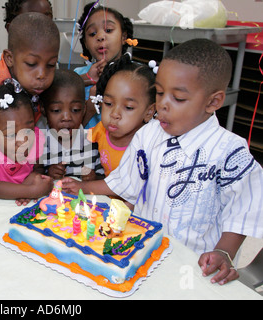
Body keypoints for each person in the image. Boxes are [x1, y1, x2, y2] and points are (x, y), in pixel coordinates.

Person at [64, 38, 263, 285]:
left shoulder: (230, 150)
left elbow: (242, 210)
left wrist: (224, 252)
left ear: (213, 102)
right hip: (144, 251)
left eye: (178, 98)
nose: (163, 105)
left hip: (195, 267)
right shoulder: (148, 134)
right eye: (159, 93)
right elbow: (125, 182)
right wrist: (80, 187)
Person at [0, 81, 53, 206]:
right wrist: (31, 191)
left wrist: (33, 179)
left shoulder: (36, 136)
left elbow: (37, 169)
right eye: (12, 135)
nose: (23, 141)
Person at [74, 2, 135, 128]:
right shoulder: (78, 76)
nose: (100, 36)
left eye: (108, 30)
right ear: (85, 43)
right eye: (92, 33)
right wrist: (89, 109)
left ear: (123, 37)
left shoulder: (137, 76)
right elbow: (64, 131)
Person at [36, 68, 104, 180]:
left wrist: (93, 178)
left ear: (84, 109)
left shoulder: (94, 142)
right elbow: (35, 179)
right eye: (56, 110)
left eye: (75, 110)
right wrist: (49, 175)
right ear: (44, 110)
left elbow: (104, 181)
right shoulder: (40, 146)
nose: (67, 117)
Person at [0, 0, 53, 66]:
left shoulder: (56, 62)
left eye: (47, 20)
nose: (42, 28)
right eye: (32, 21)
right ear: (10, 29)